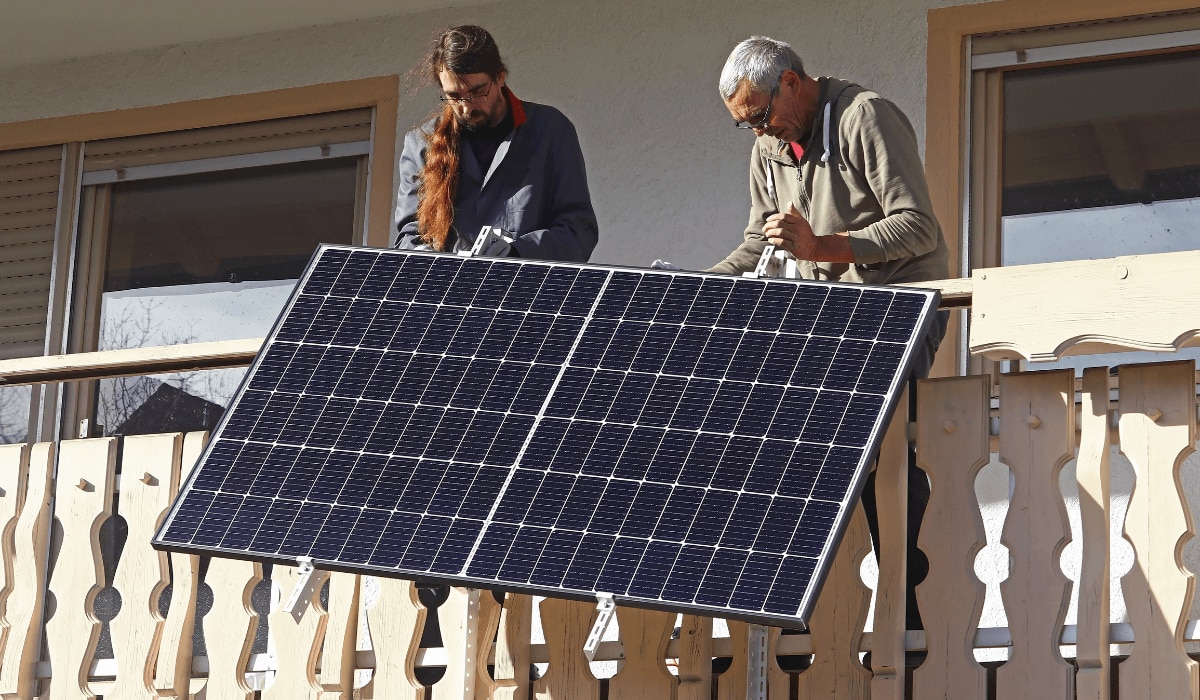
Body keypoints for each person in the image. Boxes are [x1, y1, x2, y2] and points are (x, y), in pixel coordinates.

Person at [713, 36, 951, 635]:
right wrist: (697, 290)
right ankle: (791, 599)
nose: (758, 134)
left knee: (878, 446)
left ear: (792, 82)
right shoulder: (768, 149)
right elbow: (757, 242)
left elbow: (918, 226)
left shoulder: (865, 117)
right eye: (746, 125)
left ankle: (904, 598)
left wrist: (823, 248)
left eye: (761, 116)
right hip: (834, 318)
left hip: (900, 302)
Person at [393, 25, 598, 262]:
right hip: (448, 293)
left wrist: (519, 252)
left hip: (529, 292)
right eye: (454, 96)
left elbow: (578, 231)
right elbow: (410, 234)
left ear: (500, 77)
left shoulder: (550, 130)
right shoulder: (421, 145)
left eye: (478, 91)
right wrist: (426, 259)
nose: (467, 107)